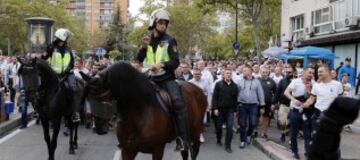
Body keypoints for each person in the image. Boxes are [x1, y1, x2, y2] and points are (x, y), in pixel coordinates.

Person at [135, 8, 188, 151]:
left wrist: (162, 65)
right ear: (153, 23)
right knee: (131, 95)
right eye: (160, 23)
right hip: (149, 78)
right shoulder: (147, 38)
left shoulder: (170, 40)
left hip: (166, 79)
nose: (163, 25)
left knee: (177, 102)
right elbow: (139, 59)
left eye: (165, 23)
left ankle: (182, 139)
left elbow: (176, 62)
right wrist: (143, 47)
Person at [41, 28, 80, 123]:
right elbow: (43, 58)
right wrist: (45, 53)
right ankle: (39, 109)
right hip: (54, 75)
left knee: (73, 89)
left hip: (67, 74)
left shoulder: (68, 49)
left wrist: (67, 70)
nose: (67, 39)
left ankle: (75, 113)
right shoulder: (51, 47)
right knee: (42, 87)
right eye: (67, 37)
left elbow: (72, 62)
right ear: (62, 37)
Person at [284, 68, 314, 159]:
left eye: (312, 73)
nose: (311, 74)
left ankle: (308, 152)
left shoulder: (314, 83)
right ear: (304, 73)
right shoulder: (295, 81)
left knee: (307, 133)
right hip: (295, 110)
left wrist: (309, 91)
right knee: (294, 131)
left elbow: (314, 97)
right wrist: (294, 100)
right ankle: (294, 151)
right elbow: (286, 92)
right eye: (309, 72)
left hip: (307, 111)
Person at [236, 65, 265, 149]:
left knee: (253, 122)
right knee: (242, 123)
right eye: (243, 70)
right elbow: (236, 92)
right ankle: (242, 140)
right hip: (242, 104)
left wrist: (262, 105)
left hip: (253, 105)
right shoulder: (240, 81)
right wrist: (237, 102)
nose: (243, 72)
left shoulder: (257, 82)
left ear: (250, 71)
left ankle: (248, 135)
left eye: (245, 70)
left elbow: (260, 93)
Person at [212, 68, 238, 153]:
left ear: (232, 75)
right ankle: (219, 139)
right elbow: (214, 97)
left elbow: (235, 99)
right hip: (220, 110)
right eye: (227, 73)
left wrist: (235, 110)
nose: (228, 75)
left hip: (230, 110)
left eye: (230, 73)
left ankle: (228, 145)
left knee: (229, 128)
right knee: (219, 127)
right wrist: (215, 108)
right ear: (224, 75)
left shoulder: (235, 86)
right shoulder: (218, 84)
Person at [188, 68, 210, 143]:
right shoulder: (189, 82)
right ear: (193, 74)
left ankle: (200, 134)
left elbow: (209, 93)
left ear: (201, 74)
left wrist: (209, 105)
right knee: (193, 120)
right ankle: (194, 135)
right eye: (195, 74)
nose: (197, 75)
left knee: (202, 120)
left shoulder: (205, 82)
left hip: (202, 104)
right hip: (193, 105)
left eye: (198, 74)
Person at [275, 66, 294, 143]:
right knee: (282, 122)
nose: (287, 74)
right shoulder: (282, 81)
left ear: (293, 73)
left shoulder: (296, 81)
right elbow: (277, 92)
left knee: (291, 122)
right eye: (286, 72)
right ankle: (283, 133)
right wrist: (274, 103)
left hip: (293, 106)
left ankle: (290, 138)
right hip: (283, 104)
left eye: (289, 72)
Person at [258, 67, 277, 140]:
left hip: (268, 103)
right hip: (257, 103)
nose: (264, 74)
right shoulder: (257, 80)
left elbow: (276, 93)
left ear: (268, 72)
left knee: (266, 118)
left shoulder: (272, 81)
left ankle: (264, 133)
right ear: (260, 72)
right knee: (257, 118)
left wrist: (273, 103)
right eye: (263, 72)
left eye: (266, 72)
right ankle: (255, 131)